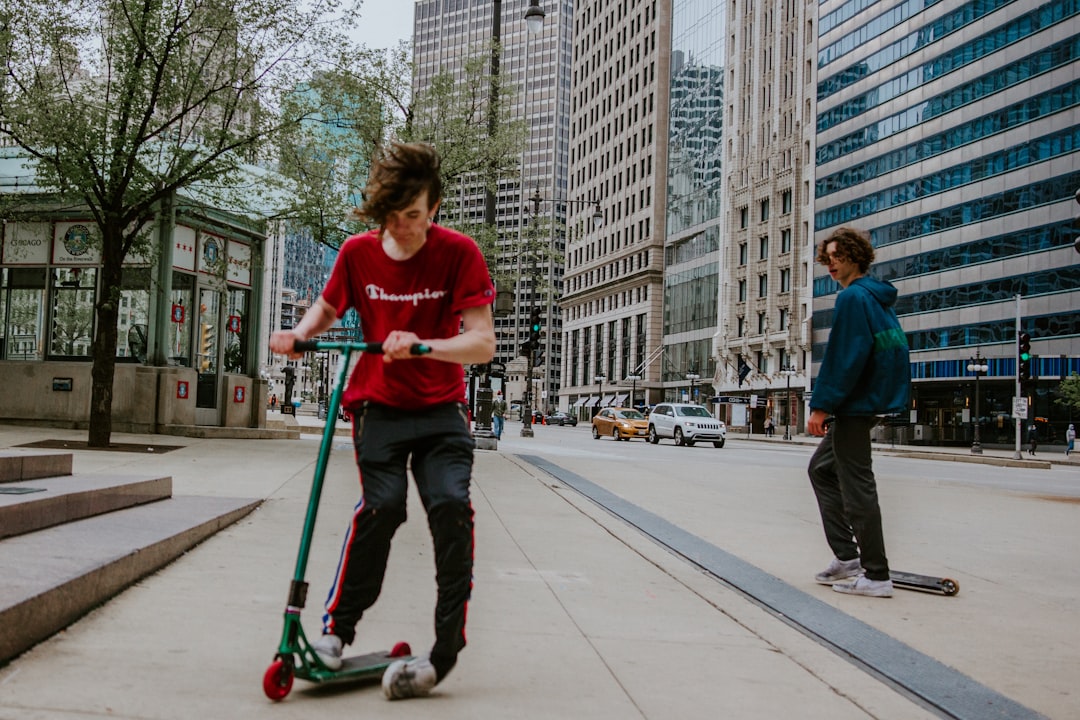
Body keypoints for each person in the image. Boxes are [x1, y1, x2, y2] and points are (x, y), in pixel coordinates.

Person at [269, 142, 495, 700]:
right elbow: (329, 305)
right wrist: (301, 334)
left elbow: (482, 342)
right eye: (395, 218)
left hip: (442, 412)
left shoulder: (459, 252)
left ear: (434, 206)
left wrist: (423, 346)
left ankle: (443, 653)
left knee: (448, 508)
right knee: (381, 508)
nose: (406, 228)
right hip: (378, 407)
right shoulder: (356, 253)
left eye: (415, 216)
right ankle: (335, 634)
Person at [807, 227, 910, 599]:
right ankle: (848, 558)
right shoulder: (877, 298)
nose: (830, 263)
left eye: (837, 256)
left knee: (858, 488)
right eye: (827, 258)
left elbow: (844, 357)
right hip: (865, 402)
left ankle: (877, 574)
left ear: (855, 256)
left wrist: (821, 405)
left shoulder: (853, 297)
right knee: (820, 470)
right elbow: (895, 352)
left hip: (855, 405)